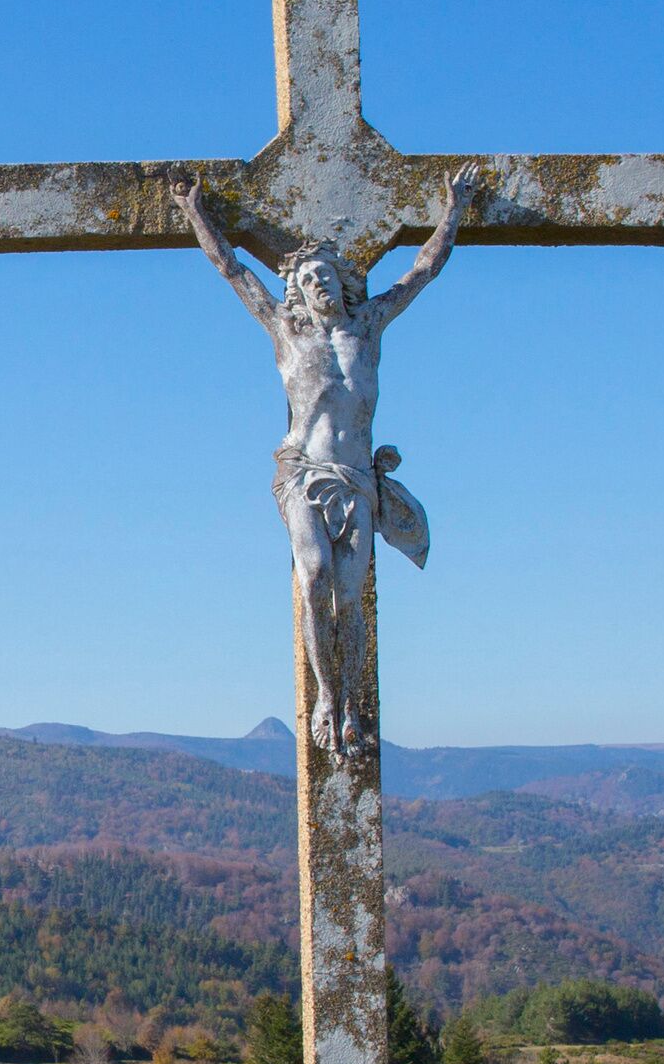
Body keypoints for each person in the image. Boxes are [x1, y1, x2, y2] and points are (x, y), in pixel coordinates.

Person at [176, 175, 470, 752]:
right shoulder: (286, 332)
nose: (317, 285)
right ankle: (328, 700)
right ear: (299, 293)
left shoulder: (368, 328)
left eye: (324, 275)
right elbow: (234, 272)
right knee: (313, 577)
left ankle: (351, 701)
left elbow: (421, 273)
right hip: (304, 473)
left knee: (347, 597)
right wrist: (195, 215)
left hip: (356, 479)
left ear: (342, 282)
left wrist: (453, 211)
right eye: (307, 280)